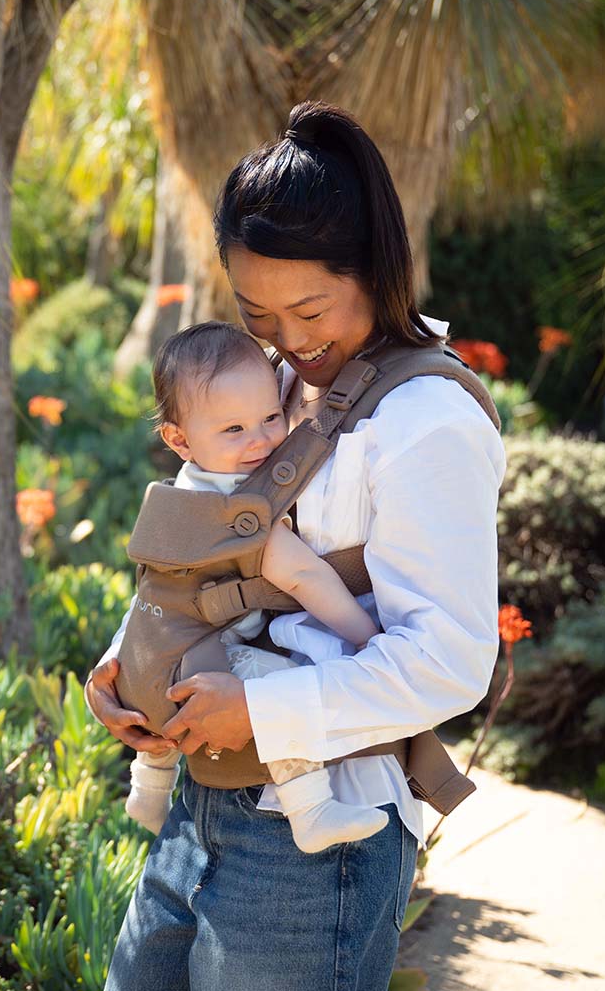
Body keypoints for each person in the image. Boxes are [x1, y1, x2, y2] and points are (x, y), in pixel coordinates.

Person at [85, 100, 506, 991]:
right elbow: (205, 555)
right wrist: (129, 664)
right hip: (201, 804)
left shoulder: (425, 421)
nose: (289, 340)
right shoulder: (272, 385)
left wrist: (259, 714)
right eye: (259, 313)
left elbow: (452, 661)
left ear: (376, 268)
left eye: (310, 307)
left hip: (320, 837)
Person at [123, 319, 392, 853]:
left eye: (271, 417)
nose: (262, 441)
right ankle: (311, 808)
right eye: (234, 430)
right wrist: (369, 638)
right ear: (178, 439)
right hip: (193, 676)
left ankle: (147, 789)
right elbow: (306, 576)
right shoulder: (238, 510)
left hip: (141, 662)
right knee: (275, 691)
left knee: (179, 689)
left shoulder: (180, 493)